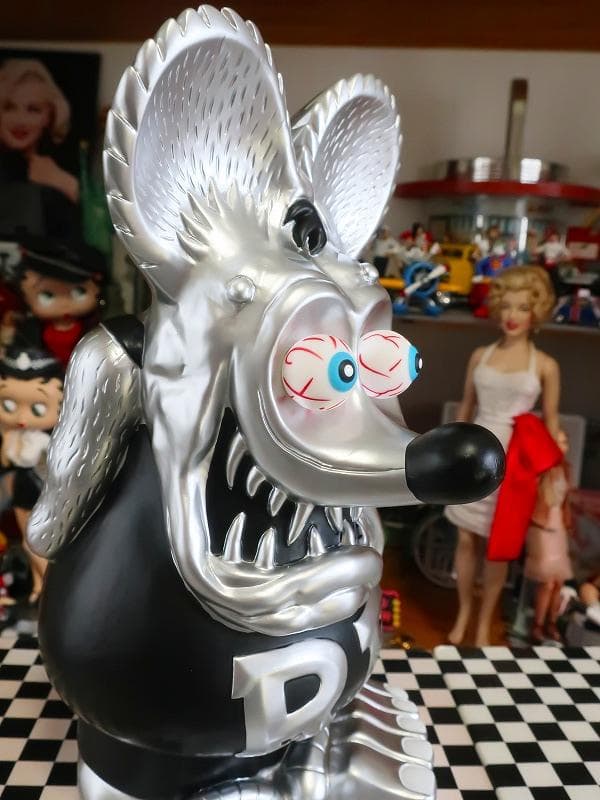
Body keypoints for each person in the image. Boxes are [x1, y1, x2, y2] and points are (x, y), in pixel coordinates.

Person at [445, 265, 559, 646]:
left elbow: (551, 425)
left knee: (499, 549)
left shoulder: (546, 366)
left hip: (514, 467)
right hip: (473, 454)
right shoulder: (480, 355)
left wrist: (551, 470)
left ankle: (484, 622)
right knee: (465, 540)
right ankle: (463, 612)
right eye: (507, 306)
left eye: (523, 307)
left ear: (535, 312)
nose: (512, 315)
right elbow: (465, 408)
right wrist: (449, 453)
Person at [0, 345, 63, 603]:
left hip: (38, 488)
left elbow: (35, 463)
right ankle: (39, 586)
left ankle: (50, 586)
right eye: (8, 404)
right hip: (22, 489)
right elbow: (7, 460)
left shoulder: (44, 441)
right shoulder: (16, 435)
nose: (22, 416)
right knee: (29, 541)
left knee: (36, 542)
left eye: (37, 408)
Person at [8, 236, 106, 367]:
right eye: (47, 295)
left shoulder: (94, 329)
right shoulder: (30, 330)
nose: (64, 303)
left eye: (79, 292)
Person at [0, 59, 78, 204]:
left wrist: (65, 183)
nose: (20, 121)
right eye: (9, 108)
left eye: (33, 110)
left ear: (49, 116)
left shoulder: (60, 172)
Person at [524, 429, 573, 643]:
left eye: (565, 441)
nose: (563, 446)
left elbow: (565, 500)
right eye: (558, 441)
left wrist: (567, 522)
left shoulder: (565, 469)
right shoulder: (541, 467)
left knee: (559, 581)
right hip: (541, 525)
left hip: (558, 526)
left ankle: (551, 623)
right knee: (547, 582)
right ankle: (537, 625)